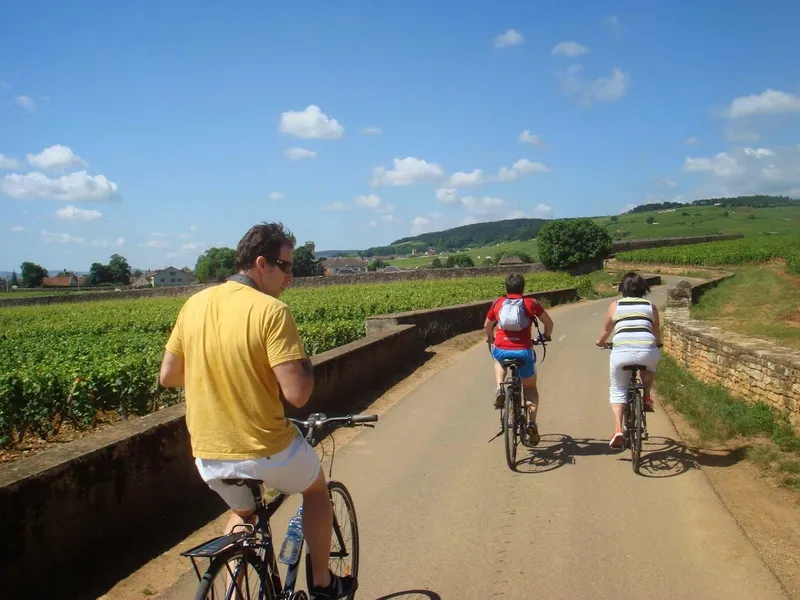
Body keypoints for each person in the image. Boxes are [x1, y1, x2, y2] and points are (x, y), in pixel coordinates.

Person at [158, 222, 355, 600]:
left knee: (244, 514)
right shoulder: (272, 311)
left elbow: (169, 376)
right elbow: (297, 395)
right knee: (315, 490)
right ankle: (322, 583)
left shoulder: (194, 303)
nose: (291, 277)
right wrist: (305, 365)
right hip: (266, 448)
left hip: (209, 454)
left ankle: (235, 590)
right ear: (261, 263)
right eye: (286, 266)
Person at [484, 273, 553, 445]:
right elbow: (549, 323)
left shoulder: (498, 303)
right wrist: (545, 336)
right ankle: (531, 423)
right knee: (530, 389)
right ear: (523, 288)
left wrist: (490, 338)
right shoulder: (531, 303)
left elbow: (487, 325)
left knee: (498, 359)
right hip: (523, 351)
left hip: (502, 348)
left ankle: (500, 387)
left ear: (506, 288)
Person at [595, 271, 662, 449]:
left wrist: (600, 342)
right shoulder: (650, 306)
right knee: (650, 366)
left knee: (617, 389)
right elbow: (656, 332)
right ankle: (646, 396)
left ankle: (618, 428)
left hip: (621, 352)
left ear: (622, 289)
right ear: (643, 289)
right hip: (647, 349)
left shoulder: (615, 306)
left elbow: (606, 331)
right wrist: (658, 344)